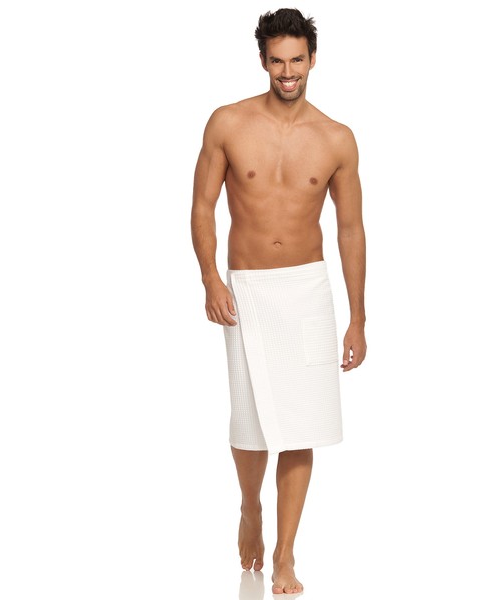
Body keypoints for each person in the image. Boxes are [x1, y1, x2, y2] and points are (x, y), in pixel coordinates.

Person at [190, 8, 366, 595]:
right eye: (277, 61)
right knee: (249, 422)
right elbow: (201, 207)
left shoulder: (337, 138)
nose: (287, 72)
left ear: (312, 59)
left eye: (297, 60)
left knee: (301, 424)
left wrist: (358, 317)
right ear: (263, 61)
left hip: (308, 290)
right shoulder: (228, 123)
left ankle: (286, 555)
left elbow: (350, 230)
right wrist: (211, 279)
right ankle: (250, 506)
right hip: (246, 287)